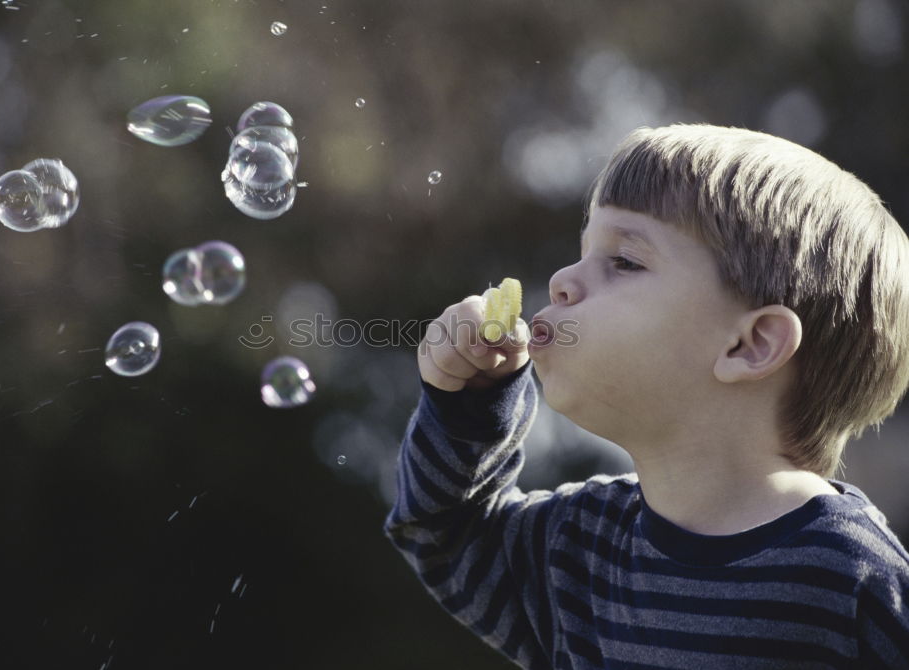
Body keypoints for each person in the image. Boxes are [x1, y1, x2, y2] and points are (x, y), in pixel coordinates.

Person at [384, 124, 909, 668]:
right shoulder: (581, 549)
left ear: (750, 344)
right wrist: (470, 407)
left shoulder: (851, 579)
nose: (563, 279)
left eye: (625, 261)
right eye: (582, 252)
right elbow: (446, 533)